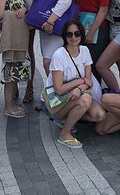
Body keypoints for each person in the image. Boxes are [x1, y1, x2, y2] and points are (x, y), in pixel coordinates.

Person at [42, 20, 105, 149]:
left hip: (74, 96)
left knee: (99, 115)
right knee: (86, 99)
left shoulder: (85, 50)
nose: (73, 37)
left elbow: (89, 81)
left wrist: (79, 89)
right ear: (64, 36)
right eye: (69, 34)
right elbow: (59, 89)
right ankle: (64, 133)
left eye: (77, 34)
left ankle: (69, 117)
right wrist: (80, 82)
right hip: (54, 103)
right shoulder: (59, 55)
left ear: (81, 34)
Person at [26, 0, 73, 75]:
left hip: (56, 25)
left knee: (49, 61)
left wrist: (50, 21)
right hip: (45, 26)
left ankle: (55, 85)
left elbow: (64, 2)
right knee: (49, 61)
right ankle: (54, 84)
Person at [0, 0, 28, 118]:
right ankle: (8, 106)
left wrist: (25, 9)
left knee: (16, 72)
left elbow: (27, 7)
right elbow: (0, 13)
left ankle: (11, 104)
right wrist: (17, 12)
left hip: (20, 37)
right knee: (10, 72)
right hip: (10, 37)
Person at [9, 0, 39, 104]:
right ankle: (13, 86)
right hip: (12, 18)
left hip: (29, 16)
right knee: (13, 52)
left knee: (28, 51)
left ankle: (29, 87)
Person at [75, 0, 111, 82]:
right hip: (83, 26)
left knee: (93, 66)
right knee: (84, 64)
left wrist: (92, 32)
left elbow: (103, 9)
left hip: (96, 29)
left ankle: (96, 93)